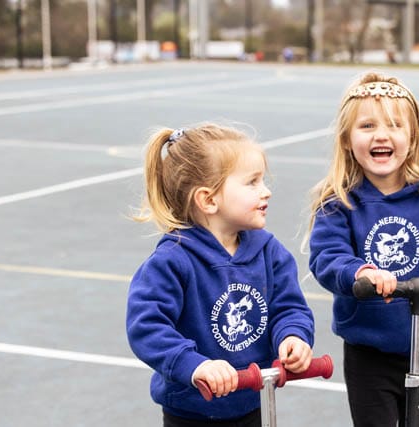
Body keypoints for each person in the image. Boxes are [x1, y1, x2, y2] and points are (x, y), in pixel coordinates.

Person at [307, 72, 419, 427]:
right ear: (346, 139)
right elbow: (327, 256)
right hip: (368, 352)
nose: (381, 135)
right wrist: (360, 273)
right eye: (367, 126)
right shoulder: (340, 203)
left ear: (413, 136)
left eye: (394, 125)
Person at [127, 123, 315, 427]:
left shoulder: (269, 252)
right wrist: (195, 366)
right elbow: (147, 326)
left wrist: (292, 336)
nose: (265, 191)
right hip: (191, 414)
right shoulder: (173, 261)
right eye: (252, 182)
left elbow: (289, 307)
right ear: (209, 200)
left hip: (251, 401)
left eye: (262, 180)